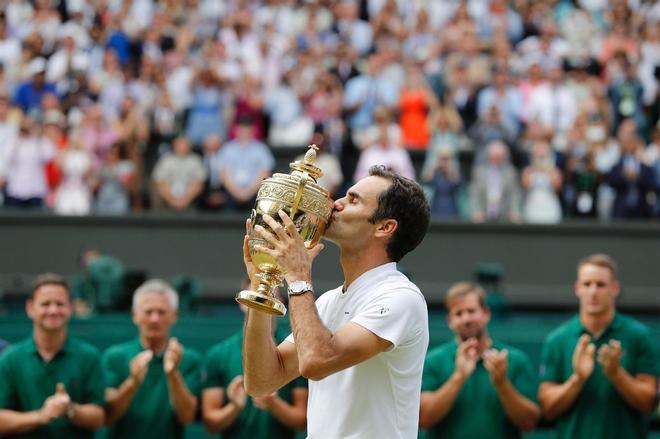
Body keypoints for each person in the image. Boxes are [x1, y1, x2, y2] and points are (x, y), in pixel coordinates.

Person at [242, 166, 431, 438]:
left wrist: (297, 277)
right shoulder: (329, 301)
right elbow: (262, 381)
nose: (336, 203)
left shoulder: (402, 297)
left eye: (353, 200)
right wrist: (263, 285)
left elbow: (316, 361)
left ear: (385, 227)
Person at [538, 254, 658, 439]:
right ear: (577, 288)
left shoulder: (638, 336)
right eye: (587, 284)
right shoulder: (557, 340)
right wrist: (577, 379)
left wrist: (617, 374)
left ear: (615, 288)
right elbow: (548, 409)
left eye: (600, 285)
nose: (593, 292)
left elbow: (649, 404)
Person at [419, 282, 540, 438]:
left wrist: (502, 384)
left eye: (471, 311)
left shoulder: (515, 360)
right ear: (449, 321)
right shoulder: (433, 361)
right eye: (458, 314)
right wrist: (458, 377)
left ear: (486, 313)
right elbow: (423, 419)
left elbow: (530, 423)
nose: (466, 319)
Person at [0, 273, 105, 437]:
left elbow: (98, 417)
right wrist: (40, 416)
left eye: (60, 304)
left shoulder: (89, 356)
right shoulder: (10, 359)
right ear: (30, 308)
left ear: (70, 308)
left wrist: (70, 409)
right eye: (45, 304)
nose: (53, 310)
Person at [202, 286, 308, 438]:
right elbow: (210, 424)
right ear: (242, 302)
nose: (262, 303)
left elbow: (302, 421)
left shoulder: (298, 350)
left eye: (270, 297)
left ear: (281, 302)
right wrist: (234, 407)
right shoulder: (219, 355)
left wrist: (273, 404)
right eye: (255, 297)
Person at [102, 279, 202, 439]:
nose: (154, 319)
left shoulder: (189, 359)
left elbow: (187, 417)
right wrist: (132, 383)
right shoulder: (115, 357)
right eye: (148, 312)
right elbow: (108, 416)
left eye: (161, 312)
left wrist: (173, 374)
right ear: (135, 315)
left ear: (174, 316)